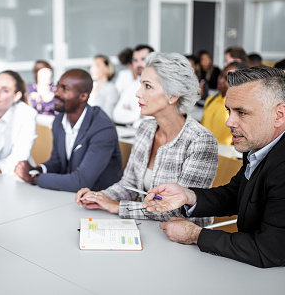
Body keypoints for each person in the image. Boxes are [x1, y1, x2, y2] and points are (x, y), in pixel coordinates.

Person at [143, 66, 285, 268]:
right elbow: (237, 194)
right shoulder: (263, 141)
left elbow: (268, 251)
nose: (229, 121)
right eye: (230, 110)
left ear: (279, 114)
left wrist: (195, 234)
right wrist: (188, 196)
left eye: (242, 112)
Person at [76, 53, 218, 227]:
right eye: (140, 85)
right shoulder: (145, 129)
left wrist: (117, 207)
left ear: (173, 95)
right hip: (150, 229)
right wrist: (98, 197)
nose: (138, 93)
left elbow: (177, 210)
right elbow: (128, 185)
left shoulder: (200, 140)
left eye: (148, 86)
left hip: (185, 241)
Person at [14, 69, 122, 192]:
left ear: (83, 96)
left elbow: (81, 182)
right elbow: (57, 162)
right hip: (71, 197)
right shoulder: (59, 120)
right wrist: (36, 170)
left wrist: (34, 179)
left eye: (64, 89)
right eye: (58, 86)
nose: (57, 93)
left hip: (100, 199)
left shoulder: (102, 128)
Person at [200, 61, 248, 145]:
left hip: (227, 155)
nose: (221, 80)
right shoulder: (210, 100)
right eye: (221, 75)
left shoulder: (240, 106)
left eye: (227, 79)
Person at [113, 44, 154, 125]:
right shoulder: (132, 86)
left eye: (143, 59)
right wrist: (139, 115)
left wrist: (130, 115)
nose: (138, 64)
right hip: (132, 133)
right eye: (135, 60)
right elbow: (116, 114)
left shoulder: (161, 85)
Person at [88, 54, 119, 119]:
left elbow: (107, 115)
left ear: (107, 68)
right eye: (92, 66)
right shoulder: (91, 86)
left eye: (97, 65)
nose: (92, 69)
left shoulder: (110, 88)